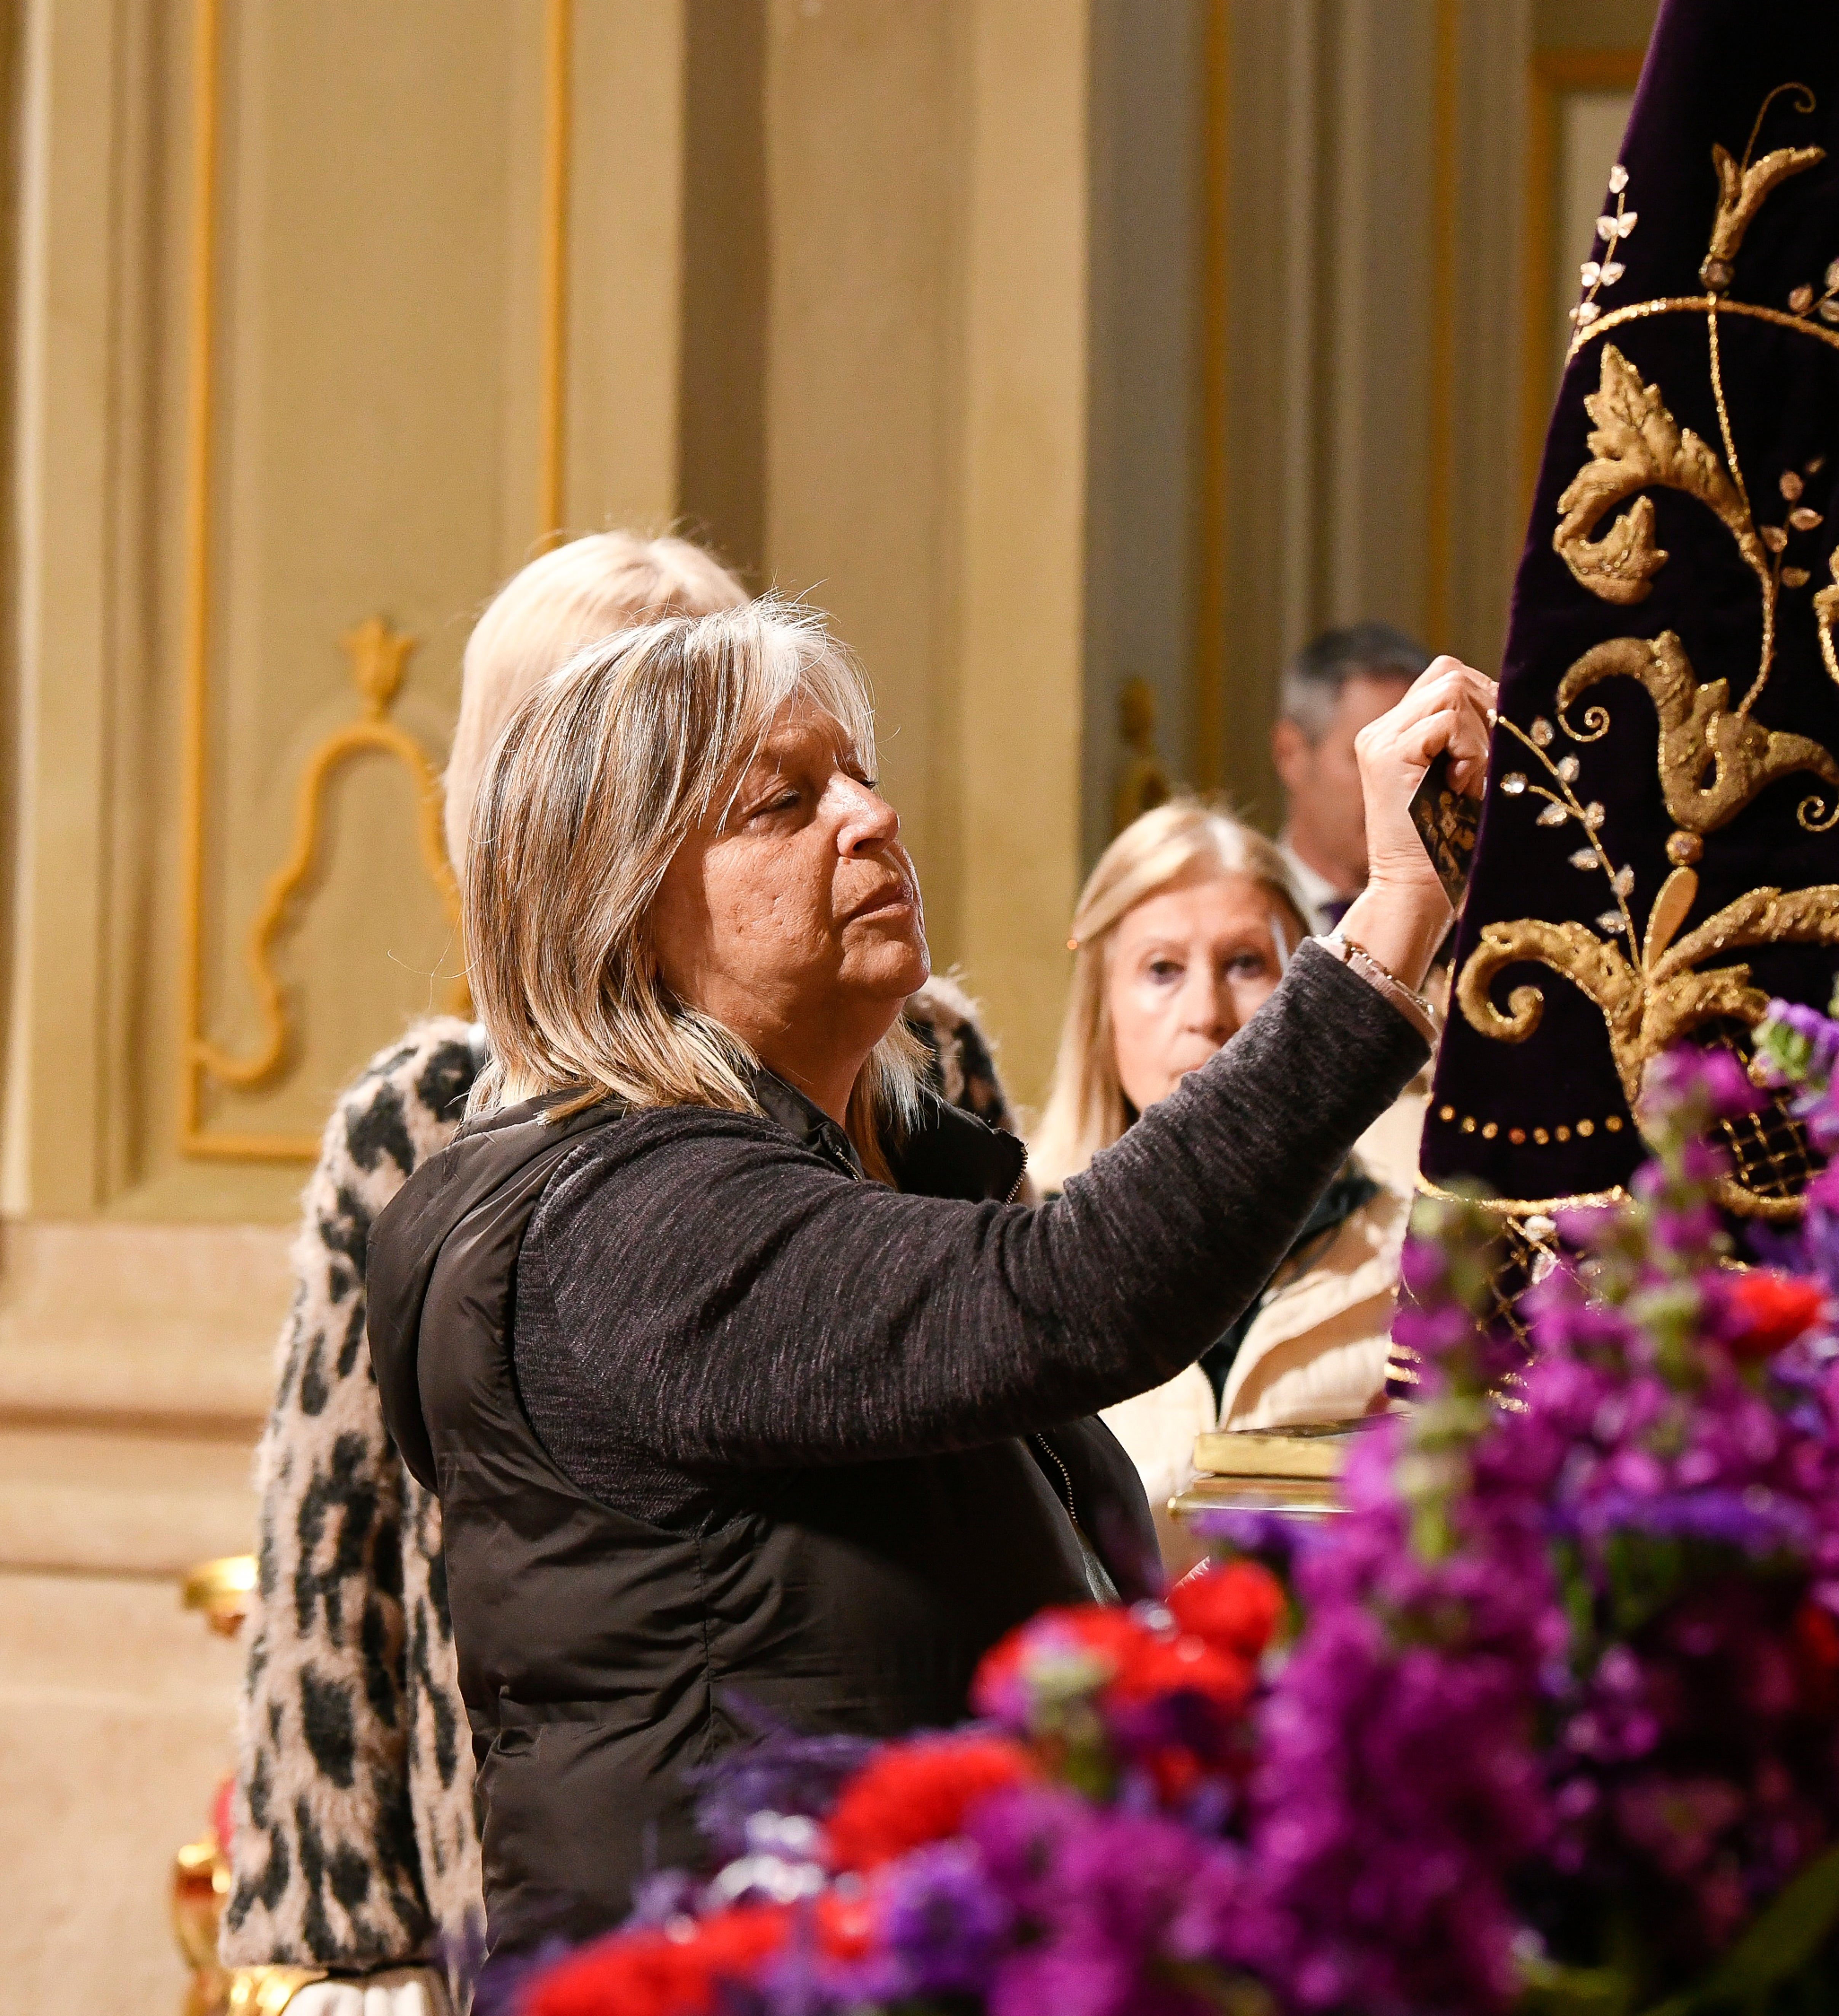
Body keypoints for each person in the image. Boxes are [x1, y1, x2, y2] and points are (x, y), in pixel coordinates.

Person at [366, 596, 1492, 1958]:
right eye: (781, 801)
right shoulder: (622, 1217)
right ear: (620, 900)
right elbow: (1079, 1292)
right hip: (737, 1973)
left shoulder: (861, 1170)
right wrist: (1388, 919)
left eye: (860, 772)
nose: (868, 817)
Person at [222, 533, 1016, 2014]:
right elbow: (330, 1549)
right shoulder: (427, 1112)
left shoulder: (928, 1054)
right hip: (542, 1823)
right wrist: (332, 1945)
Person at [1027, 803, 1410, 1575]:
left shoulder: (1416, 1253)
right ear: (1101, 1008)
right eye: (1161, 970)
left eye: (1245, 964)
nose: (1206, 1015)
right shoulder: (1015, 1256)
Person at [1271, 620, 1429, 934]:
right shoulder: (1239, 911)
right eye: (1372, 756)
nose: (1408, 786)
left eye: (1423, 760)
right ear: (1290, 753)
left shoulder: (1463, 925)